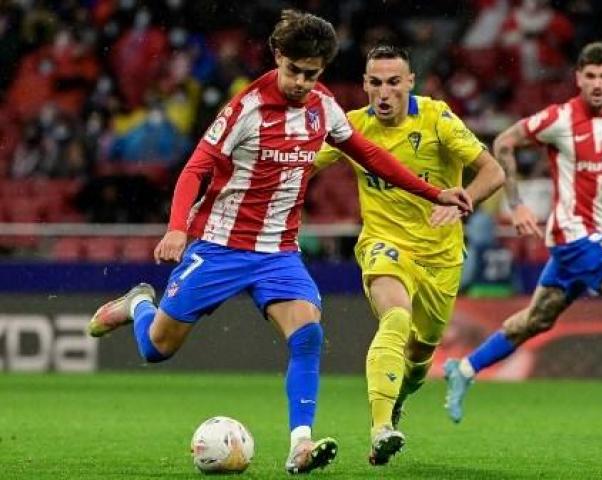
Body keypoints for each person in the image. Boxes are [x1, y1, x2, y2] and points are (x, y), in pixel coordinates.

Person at [86, 10, 472, 475]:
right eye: (294, 71)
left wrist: (435, 192)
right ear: (277, 57)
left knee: (308, 335)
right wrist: (176, 228)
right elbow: (195, 169)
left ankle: (300, 444)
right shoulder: (244, 110)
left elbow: (370, 155)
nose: (301, 82)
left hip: (278, 254)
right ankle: (138, 304)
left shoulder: (322, 106)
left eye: (312, 74)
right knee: (157, 348)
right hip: (219, 246)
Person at [443, 41, 602, 426]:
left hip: (584, 237)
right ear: (578, 78)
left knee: (536, 320)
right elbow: (504, 142)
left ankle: (465, 368)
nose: (597, 83)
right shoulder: (561, 119)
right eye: (590, 76)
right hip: (574, 235)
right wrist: (516, 203)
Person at [315, 45, 505, 465]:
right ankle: (381, 428)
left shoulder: (437, 118)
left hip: (441, 256)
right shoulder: (351, 127)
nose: (384, 93)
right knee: (395, 316)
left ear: (410, 82)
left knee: (419, 359)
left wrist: (463, 200)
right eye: (376, 83)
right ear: (365, 85)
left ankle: (397, 399)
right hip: (384, 244)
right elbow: (300, 164)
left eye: (393, 83)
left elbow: (494, 171)